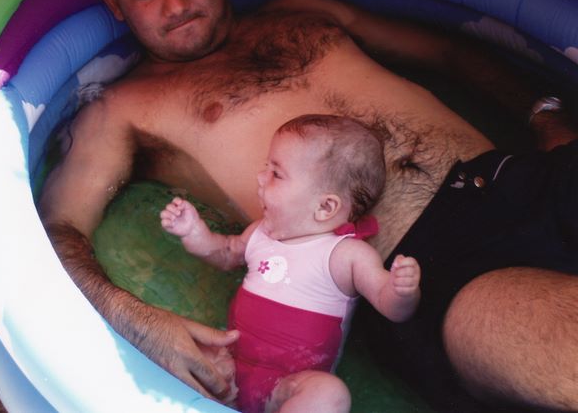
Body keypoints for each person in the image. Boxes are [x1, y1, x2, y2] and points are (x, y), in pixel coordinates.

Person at [39, 0, 578, 410]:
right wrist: (142, 323)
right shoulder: (122, 111)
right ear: (112, 0)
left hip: (521, 176)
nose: (176, 4)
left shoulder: (299, 11)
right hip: (423, 271)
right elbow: (54, 231)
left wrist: (545, 116)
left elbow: (448, 52)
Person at [160, 114, 421, 412]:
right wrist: (194, 232)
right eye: (266, 167)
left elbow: (390, 306)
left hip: (284, 387)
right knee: (176, 340)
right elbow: (225, 253)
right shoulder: (260, 233)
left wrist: (400, 291)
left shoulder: (346, 255)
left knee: (329, 394)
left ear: (325, 207)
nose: (260, 177)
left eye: (276, 173)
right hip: (226, 364)